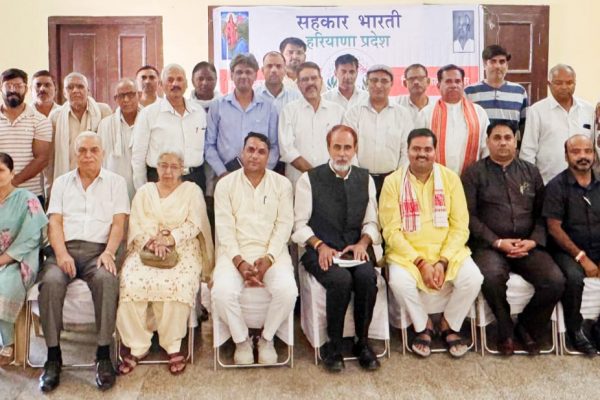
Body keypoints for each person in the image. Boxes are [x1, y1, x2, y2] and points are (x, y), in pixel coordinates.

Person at [462, 120, 565, 355]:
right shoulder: (474, 173)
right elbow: (469, 216)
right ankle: (505, 328)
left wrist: (533, 241)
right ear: (487, 142)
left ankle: (527, 328)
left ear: (515, 141)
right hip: (490, 245)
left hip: (527, 244)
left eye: (507, 138)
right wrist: (497, 241)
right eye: (497, 138)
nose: (503, 143)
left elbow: (542, 213)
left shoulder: (530, 171)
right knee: (490, 277)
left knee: (555, 280)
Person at [379, 128, 483, 358]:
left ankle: (449, 324)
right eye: (416, 149)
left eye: (427, 149)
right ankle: (423, 325)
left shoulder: (450, 178)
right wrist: (421, 263)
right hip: (407, 255)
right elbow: (391, 231)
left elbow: (460, 227)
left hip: (448, 253)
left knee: (473, 278)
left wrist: (443, 261)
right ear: (407, 151)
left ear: (435, 151)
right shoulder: (393, 182)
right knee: (398, 282)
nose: (422, 154)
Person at [38, 132, 129, 392]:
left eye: (93, 150)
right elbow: (55, 222)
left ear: (103, 153)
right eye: (82, 150)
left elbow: (119, 223)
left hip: (98, 251)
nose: (88, 155)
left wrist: (109, 252)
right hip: (63, 249)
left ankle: (103, 354)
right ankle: (53, 357)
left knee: (107, 280)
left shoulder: (116, 183)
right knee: (50, 281)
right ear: (74, 154)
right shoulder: (61, 183)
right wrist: (61, 254)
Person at [293, 125, 381, 372]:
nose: (342, 154)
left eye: (347, 148)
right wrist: (320, 245)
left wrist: (363, 242)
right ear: (328, 148)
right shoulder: (309, 179)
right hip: (320, 249)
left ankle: (362, 343)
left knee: (366, 277)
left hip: (354, 249)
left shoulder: (365, 179)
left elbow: (371, 221)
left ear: (355, 149)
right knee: (340, 280)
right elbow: (299, 225)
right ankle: (333, 345)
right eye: (337, 147)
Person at [116, 149, 213, 374]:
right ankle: (137, 345)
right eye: (163, 166)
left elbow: (195, 224)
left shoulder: (191, 191)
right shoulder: (145, 192)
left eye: (174, 167)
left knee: (177, 283)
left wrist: (170, 239)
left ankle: (173, 345)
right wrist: (152, 242)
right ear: (156, 168)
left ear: (182, 170)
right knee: (130, 282)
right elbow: (137, 224)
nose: (168, 171)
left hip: (183, 247)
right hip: (147, 248)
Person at [211, 133, 297, 365]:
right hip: (234, 253)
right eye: (250, 150)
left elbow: (284, 225)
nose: (254, 156)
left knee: (288, 291)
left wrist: (269, 258)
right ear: (242, 152)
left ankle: (266, 339)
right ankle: (241, 341)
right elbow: (224, 228)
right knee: (221, 292)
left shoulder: (282, 184)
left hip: (273, 253)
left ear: (269, 157)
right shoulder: (225, 184)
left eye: (261, 152)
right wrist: (239, 262)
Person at [543, 135, 600, 355]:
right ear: (566, 156)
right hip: (567, 250)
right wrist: (582, 258)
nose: (583, 156)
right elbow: (554, 228)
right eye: (576, 152)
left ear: (594, 155)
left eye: (588, 151)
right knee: (574, 279)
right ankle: (575, 330)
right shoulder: (556, 186)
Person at [0, 153, 48, 365]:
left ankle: (8, 343)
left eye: (1, 170)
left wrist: (3, 260)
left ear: (12, 173)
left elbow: (32, 237)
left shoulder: (27, 199)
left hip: (20, 260)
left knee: (4, 284)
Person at [131, 64, 207, 191]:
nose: (175, 84)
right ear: (161, 84)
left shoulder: (199, 112)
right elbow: (138, 156)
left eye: (179, 79)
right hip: (161, 179)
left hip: (195, 179)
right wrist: (143, 191)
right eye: (170, 80)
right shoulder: (148, 113)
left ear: (186, 84)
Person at [344, 64, 414, 198]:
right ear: (367, 83)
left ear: (391, 84)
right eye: (374, 80)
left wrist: (398, 178)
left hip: (393, 180)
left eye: (384, 81)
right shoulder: (353, 113)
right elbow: (348, 148)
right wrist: (358, 176)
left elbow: (407, 149)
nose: (378, 85)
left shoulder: (402, 114)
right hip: (360, 180)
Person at [205, 53, 279, 179]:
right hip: (226, 176)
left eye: (248, 72)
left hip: (260, 177)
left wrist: (262, 172)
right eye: (239, 72)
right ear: (231, 75)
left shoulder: (269, 107)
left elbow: (274, 146)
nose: (243, 76)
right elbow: (209, 145)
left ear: (255, 75)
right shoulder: (217, 106)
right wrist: (222, 172)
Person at [520, 64, 594, 184]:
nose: (564, 87)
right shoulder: (537, 110)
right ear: (549, 84)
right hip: (547, 183)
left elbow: (594, 147)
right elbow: (528, 151)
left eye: (569, 82)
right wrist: (529, 183)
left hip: (583, 184)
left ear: (575, 84)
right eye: (558, 83)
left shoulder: (588, 110)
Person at [279, 62, 344, 186]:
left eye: (314, 78)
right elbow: (287, 150)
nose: (310, 83)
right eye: (305, 80)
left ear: (321, 81)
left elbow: (344, 148)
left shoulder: (338, 111)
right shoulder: (289, 111)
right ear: (298, 85)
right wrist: (316, 176)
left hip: (332, 182)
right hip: (299, 182)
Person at [417, 64, 489, 175]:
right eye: (448, 81)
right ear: (438, 85)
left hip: (472, 179)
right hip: (435, 178)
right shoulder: (426, 114)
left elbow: (486, 148)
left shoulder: (479, 113)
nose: (454, 85)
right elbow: (419, 148)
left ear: (463, 84)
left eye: (457, 81)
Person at [48, 72, 112, 183]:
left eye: (80, 86)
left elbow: (110, 148)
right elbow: (51, 155)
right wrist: (50, 186)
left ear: (88, 91)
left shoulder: (103, 111)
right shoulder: (55, 116)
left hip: (97, 178)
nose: (75, 90)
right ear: (64, 93)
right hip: (67, 179)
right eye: (70, 87)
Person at [0, 68, 52, 204]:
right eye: (8, 85)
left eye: (18, 86)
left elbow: (42, 159)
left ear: (26, 89)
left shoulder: (40, 120)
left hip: (30, 195)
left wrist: (11, 184)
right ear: (1, 88)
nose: (13, 90)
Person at [465, 45, 529, 145]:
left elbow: (525, 126)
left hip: (509, 150)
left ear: (507, 65)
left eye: (502, 62)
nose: (498, 66)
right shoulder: (469, 92)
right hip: (479, 149)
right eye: (493, 61)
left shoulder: (519, 91)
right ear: (485, 64)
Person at [97, 78, 141, 200]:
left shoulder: (148, 121)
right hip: (114, 185)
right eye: (122, 96)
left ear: (139, 95)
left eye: (131, 95)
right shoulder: (105, 125)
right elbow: (101, 159)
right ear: (115, 99)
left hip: (144, 183)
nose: (126, 100)